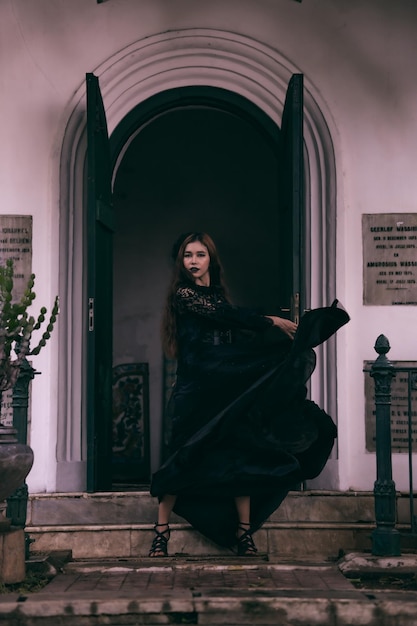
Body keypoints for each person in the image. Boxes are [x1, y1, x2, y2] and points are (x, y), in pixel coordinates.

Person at [149, 232, 349, 557]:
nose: (194, 261)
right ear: (181, 261)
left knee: (238, 454)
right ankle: (161, 533)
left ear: (211, 259)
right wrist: (269, 321)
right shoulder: (185, 295)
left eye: (200, 255)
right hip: (193, 391)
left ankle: (244, 534)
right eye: (188, 255)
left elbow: (233, 334)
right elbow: (227, 317)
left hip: (224, 389)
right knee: (183, 456)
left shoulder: (217, 296)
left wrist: (278, 349)